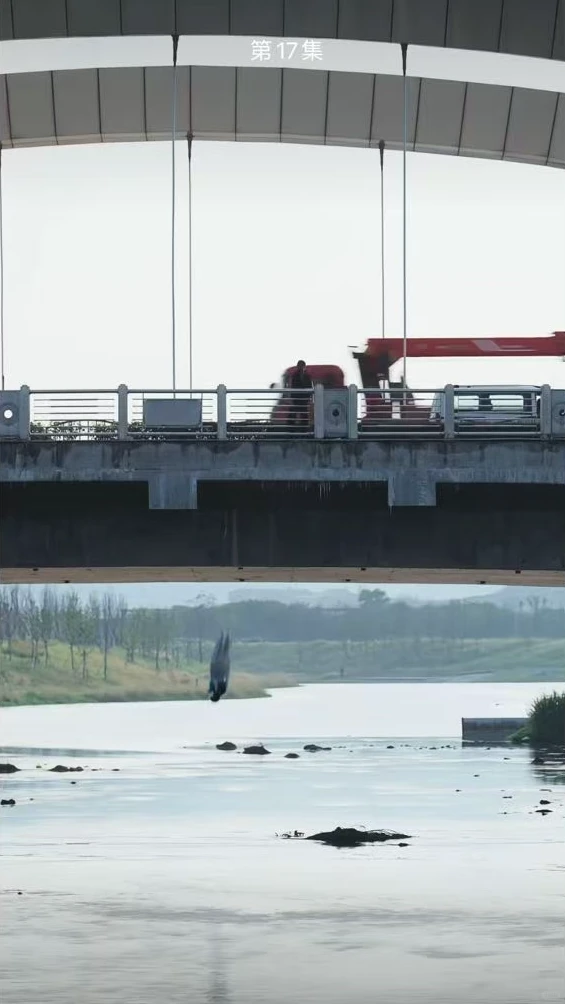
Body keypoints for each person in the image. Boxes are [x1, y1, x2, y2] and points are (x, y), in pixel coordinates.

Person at [289, 360, 313, 430]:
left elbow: (310, 387)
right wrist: (292, 398)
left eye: (302, 365)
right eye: (299, 365)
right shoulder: (294, 375)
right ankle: (292, 430)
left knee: (304, 415)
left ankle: (304, 430)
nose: (301, 367)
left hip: (304, 399)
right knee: (294, 414)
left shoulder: (307, 376)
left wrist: (309, 397)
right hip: (296, 399)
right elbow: (293, 387)